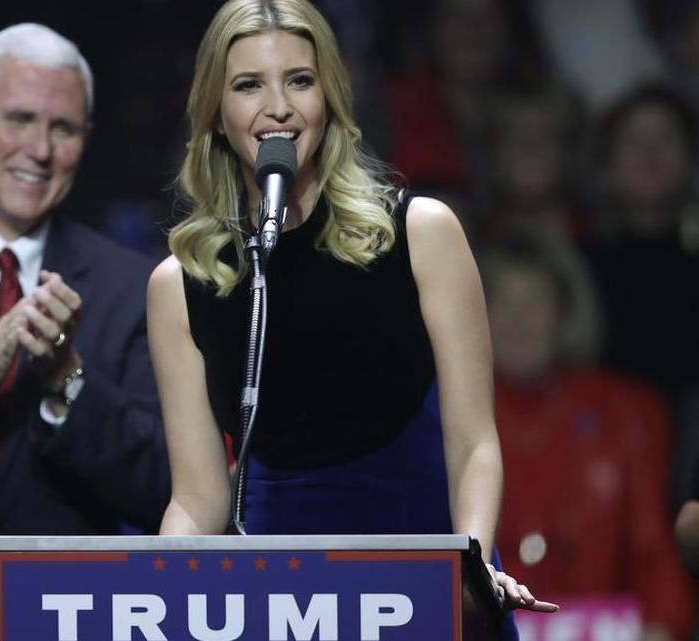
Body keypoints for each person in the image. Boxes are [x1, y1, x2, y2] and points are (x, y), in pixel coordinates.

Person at [147, 0, 557, 631]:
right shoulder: (184, 283)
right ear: (215, 114)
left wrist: (468, 563)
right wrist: (148, 591)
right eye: (249, 85)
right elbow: (198, 498)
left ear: (331, 99)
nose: (277, 107)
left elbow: (474, 442)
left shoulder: (420, 234)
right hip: (283, 598)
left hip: (424, 578)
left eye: (300, 81)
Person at [0, 23, 169, 535]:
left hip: (66, 605)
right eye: (19, 119)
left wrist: (67, 379)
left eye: (63, 128)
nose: (40, 149)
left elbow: (165, 491)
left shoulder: (132, 287)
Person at [485, 234, 694, 640]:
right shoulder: (438, 417)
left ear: (565, 314)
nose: (517, 318)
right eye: (500, 302)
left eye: (535, 301)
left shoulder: (630, 413)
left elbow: (654, 553)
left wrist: (662, 627)